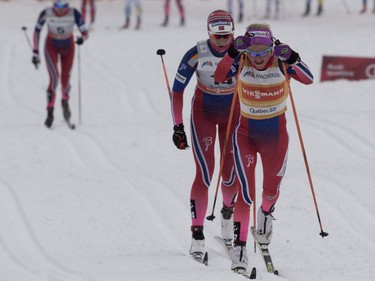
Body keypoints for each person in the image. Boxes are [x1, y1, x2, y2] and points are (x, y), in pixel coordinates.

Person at [214, 23, 314, 271]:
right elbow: (218, 76)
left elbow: (309, 78)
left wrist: (292, 56)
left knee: (270, 191)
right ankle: (240, 248)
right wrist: (231, 54)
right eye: (254, 53)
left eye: (264, 52)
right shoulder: (242, 61)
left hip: (276, 138)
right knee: (245, 193)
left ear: (272, 48)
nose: (259, 58)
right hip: (246, 136)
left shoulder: (281, 62)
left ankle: (266, 214)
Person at [170, 10, 240, 263]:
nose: (222, 42)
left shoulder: (242, 50)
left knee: (231, 174)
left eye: (227, 36)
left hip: (234, 111)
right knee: (205, 173)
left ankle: (227, 215)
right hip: (204, 113)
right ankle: (197, 236)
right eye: (217, 37)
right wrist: (178, 126)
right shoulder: (196, 53)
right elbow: (177, 89)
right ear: (209, 33)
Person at [32, 0, 88, 128]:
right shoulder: (46, 13)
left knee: (65, 79)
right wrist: (35, 52)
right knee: (54, 78)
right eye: (58, 6)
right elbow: (37, 30)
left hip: (68, 47)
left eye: (63, 6)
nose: (60, 10)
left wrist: (81, 39)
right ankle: (50, 111)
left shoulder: (74, 13)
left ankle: (65, 101)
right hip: (51, 46)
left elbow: (85, 32)